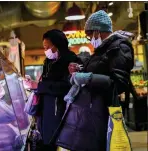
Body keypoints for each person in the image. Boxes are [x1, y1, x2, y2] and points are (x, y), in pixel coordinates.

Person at [55, 10, 134, 151]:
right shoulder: (101, 50)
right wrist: (79, 70)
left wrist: (88, 78)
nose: (89, 39)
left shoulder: (119, 48)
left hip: (105, 112)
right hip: (93, 112)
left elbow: (119, 83)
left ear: (97, 32)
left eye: (89, 35)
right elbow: (98, 70)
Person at [24, 29, 81, 151]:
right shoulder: (48, 62)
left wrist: (38, 86)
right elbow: (47, 84)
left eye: (47, 47)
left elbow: (66, 87)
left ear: (58, 45)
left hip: (61, 114)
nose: (46, 51)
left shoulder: (71, 61)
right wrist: (34, 84)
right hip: (46, 114)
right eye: (44, 47)